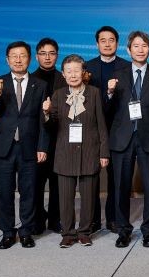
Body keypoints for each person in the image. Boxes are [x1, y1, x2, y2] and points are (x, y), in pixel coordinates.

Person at [105, 30, 149, 248]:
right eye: (136, 46)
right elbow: (107, 110)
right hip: (122, 138)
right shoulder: (117, 74)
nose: (140, 50)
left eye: (144, 46)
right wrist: (109, 93)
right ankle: (123, 230)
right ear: (128, 49)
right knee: (120, 187)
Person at [0, 41, 48, 249]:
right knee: (5, 191)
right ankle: (8, 233)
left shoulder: (40, 84)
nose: (18, 60)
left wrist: (42, 147)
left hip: (30, 146)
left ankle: (26, 231)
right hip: (3, 147)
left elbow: (43, 120)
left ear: (29, 59)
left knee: (29, 191)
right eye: (14, 56)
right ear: (7, 59)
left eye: (22, 55)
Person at [42, 55, 110, 248]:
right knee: (65, 197)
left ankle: (84, 232)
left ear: (84, 73)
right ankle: (68, 233)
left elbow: (102, 125)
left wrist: (104, 152)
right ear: (63, 74)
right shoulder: (58, 95)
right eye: (69, 71)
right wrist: (46, 112)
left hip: (90, 151)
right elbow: (52, 125)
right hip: (65, 153)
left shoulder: (94, 93)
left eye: (76, 71)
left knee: (88, 197)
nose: (73, 75)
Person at [85, 25, 129, 234]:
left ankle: (113, 218)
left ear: (117, 43)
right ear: (97, 44)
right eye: (103, 40)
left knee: (115, 177)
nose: (107, 44)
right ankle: (93, 219)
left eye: (111, 40)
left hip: (118, 129)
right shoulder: (87, 67)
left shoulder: (127, 66)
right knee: (91, 175)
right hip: (92, 129)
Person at [30, 37, 66, 235]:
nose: (47, 57)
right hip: (37, 141)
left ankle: (55, 219)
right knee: (36, 183)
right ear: (36, 57)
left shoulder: (64, 78)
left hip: (60, 139)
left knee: (57, 182)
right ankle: (36, 219)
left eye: (51, 53)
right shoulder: (30, 79)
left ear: (57, 56)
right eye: (43, 53)